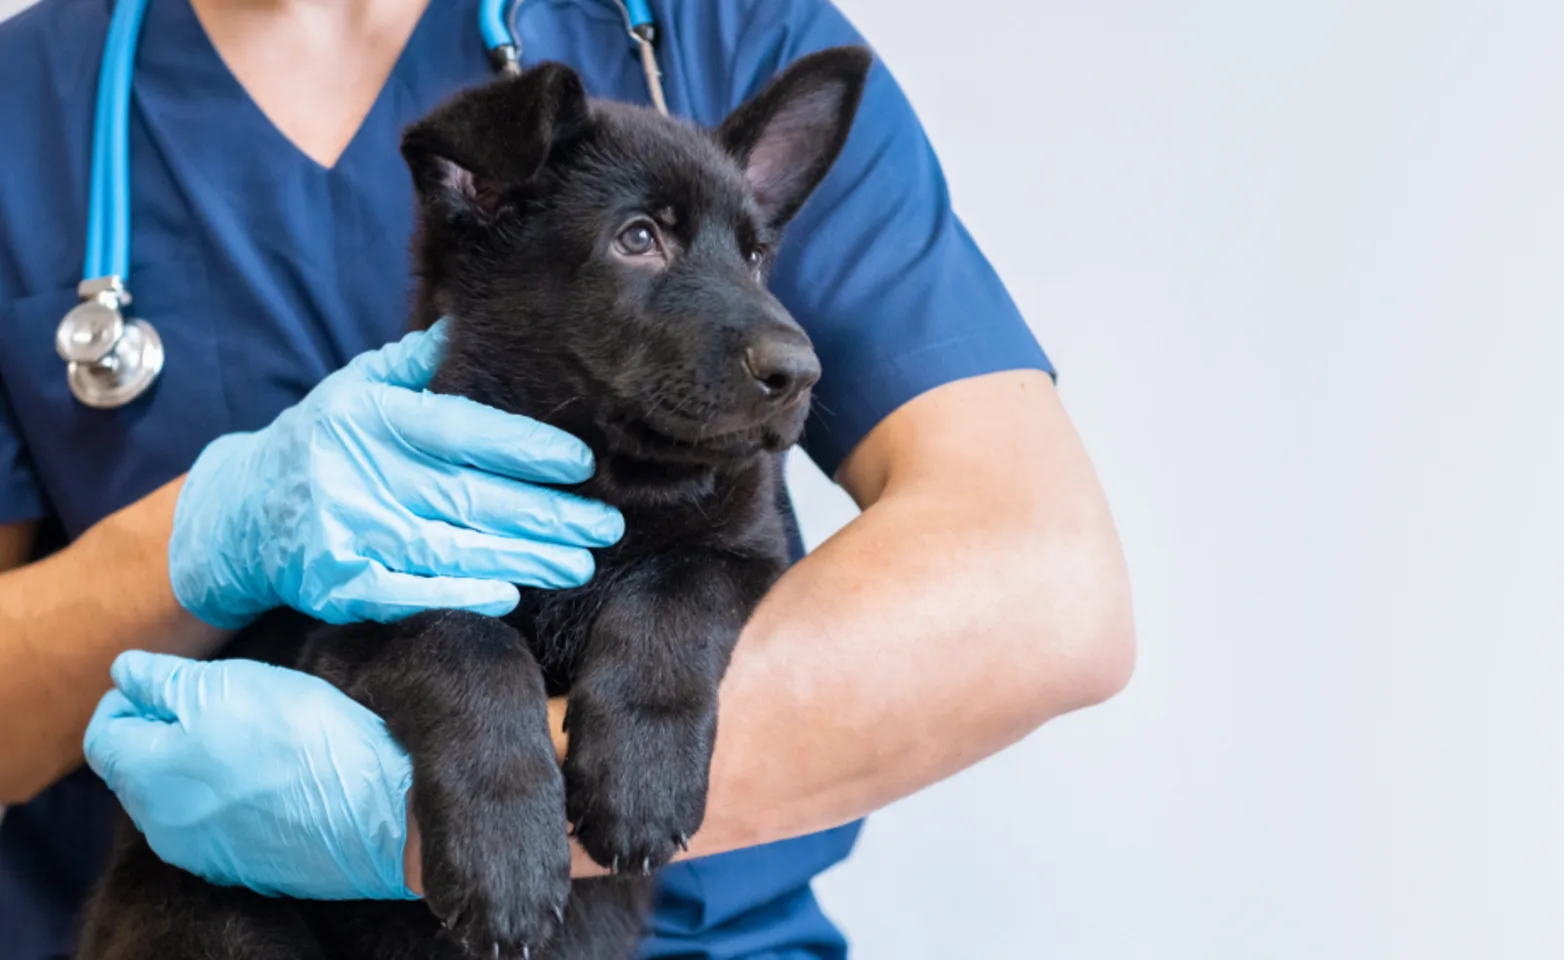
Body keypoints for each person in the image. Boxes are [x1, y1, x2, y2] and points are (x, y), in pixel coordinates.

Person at [0, 0, 1136, 957]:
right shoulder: (26, 107)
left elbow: (1047, 587)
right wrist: (206, 535)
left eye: (745, 251)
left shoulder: (709, 24)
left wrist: (451, 812)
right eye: (641, 239)